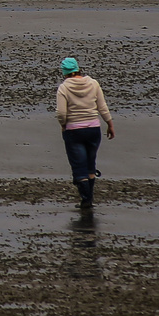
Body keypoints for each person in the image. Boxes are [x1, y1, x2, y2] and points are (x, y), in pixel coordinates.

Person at [55, 56, 114, 208]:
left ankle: (86, 201)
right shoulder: (93, 83)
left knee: (79, 167)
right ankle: (89, 198)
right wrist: (109, 123)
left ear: (65, 72)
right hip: (94, 129)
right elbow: (102, 106)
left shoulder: (64, 88)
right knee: (90, 165)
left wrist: (63, 125)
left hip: (74, 131)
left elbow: (61, 113)